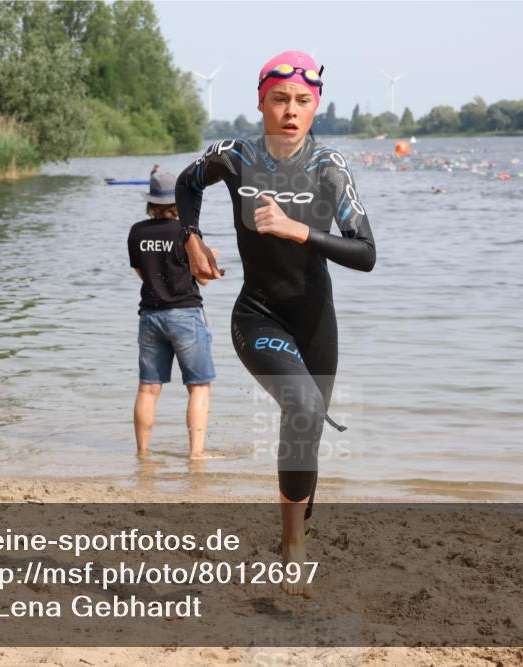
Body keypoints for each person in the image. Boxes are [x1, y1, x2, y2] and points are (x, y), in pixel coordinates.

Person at [175, 50, 376, 597]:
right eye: (279, 99)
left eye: (302, 101)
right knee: (304, 407)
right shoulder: (235, 156)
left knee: (306, 435)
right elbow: (187, 181)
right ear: (260, 102)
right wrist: (189, 237)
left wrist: (299, 231)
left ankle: (297, 527)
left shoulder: (328, 168)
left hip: (315, 321)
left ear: (317, 106)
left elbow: (366, 254)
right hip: (258, 313)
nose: (290, 110)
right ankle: (293, 546)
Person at [128, 171, 216, 460]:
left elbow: (144, 275)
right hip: (185, 314)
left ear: (151, 201)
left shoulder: (137, 232)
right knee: (199, 387)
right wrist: (210, 259)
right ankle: (196, 454)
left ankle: (142, 453)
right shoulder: (186, 233)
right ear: (178, 201)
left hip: (150, 316)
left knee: (148, 388)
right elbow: (203, 279)